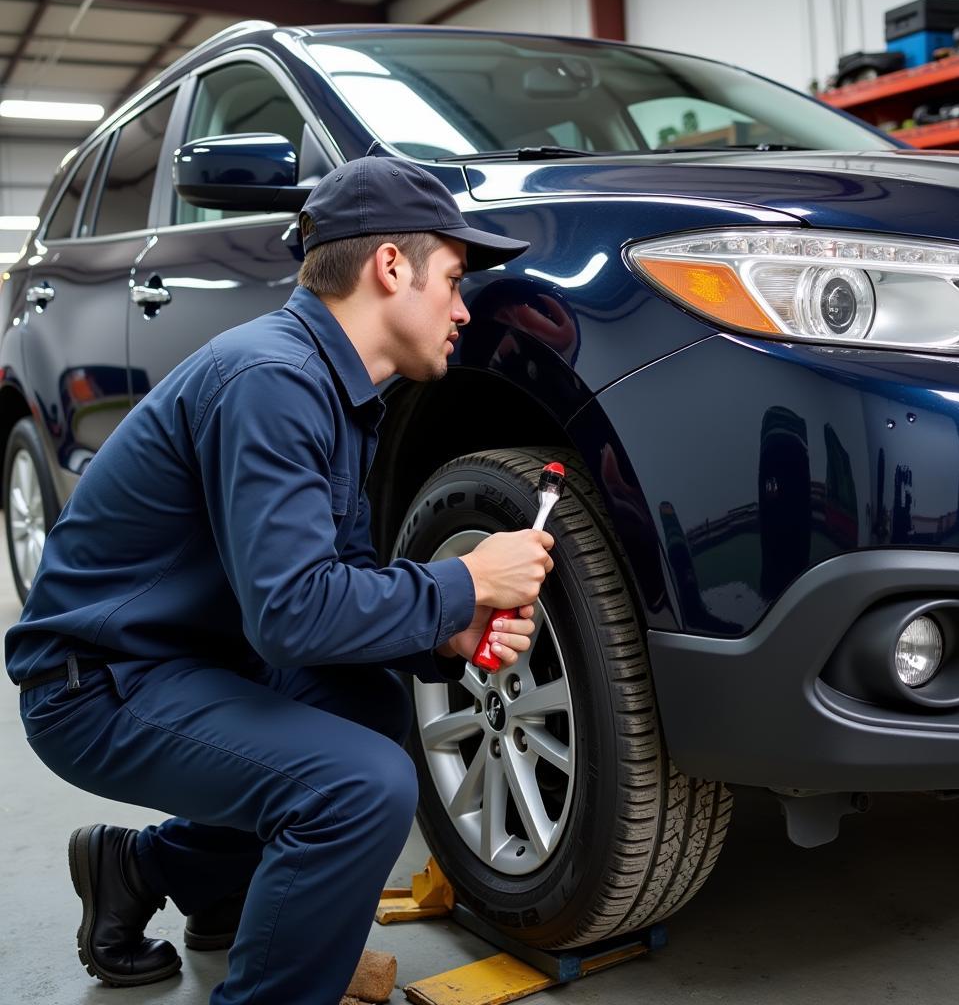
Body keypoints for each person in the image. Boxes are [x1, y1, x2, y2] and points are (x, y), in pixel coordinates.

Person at [5, 156, 554, 1005]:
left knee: (368, 704)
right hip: (95, 681)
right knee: (360, 787)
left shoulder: (333, 389)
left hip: (182, 656)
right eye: (452, 279)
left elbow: (332, 584)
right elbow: (292, 615)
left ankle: (156, 873)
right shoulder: (274, 381)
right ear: (390, 267)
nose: (462, 308)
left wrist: (443, 631)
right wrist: (465, 579)